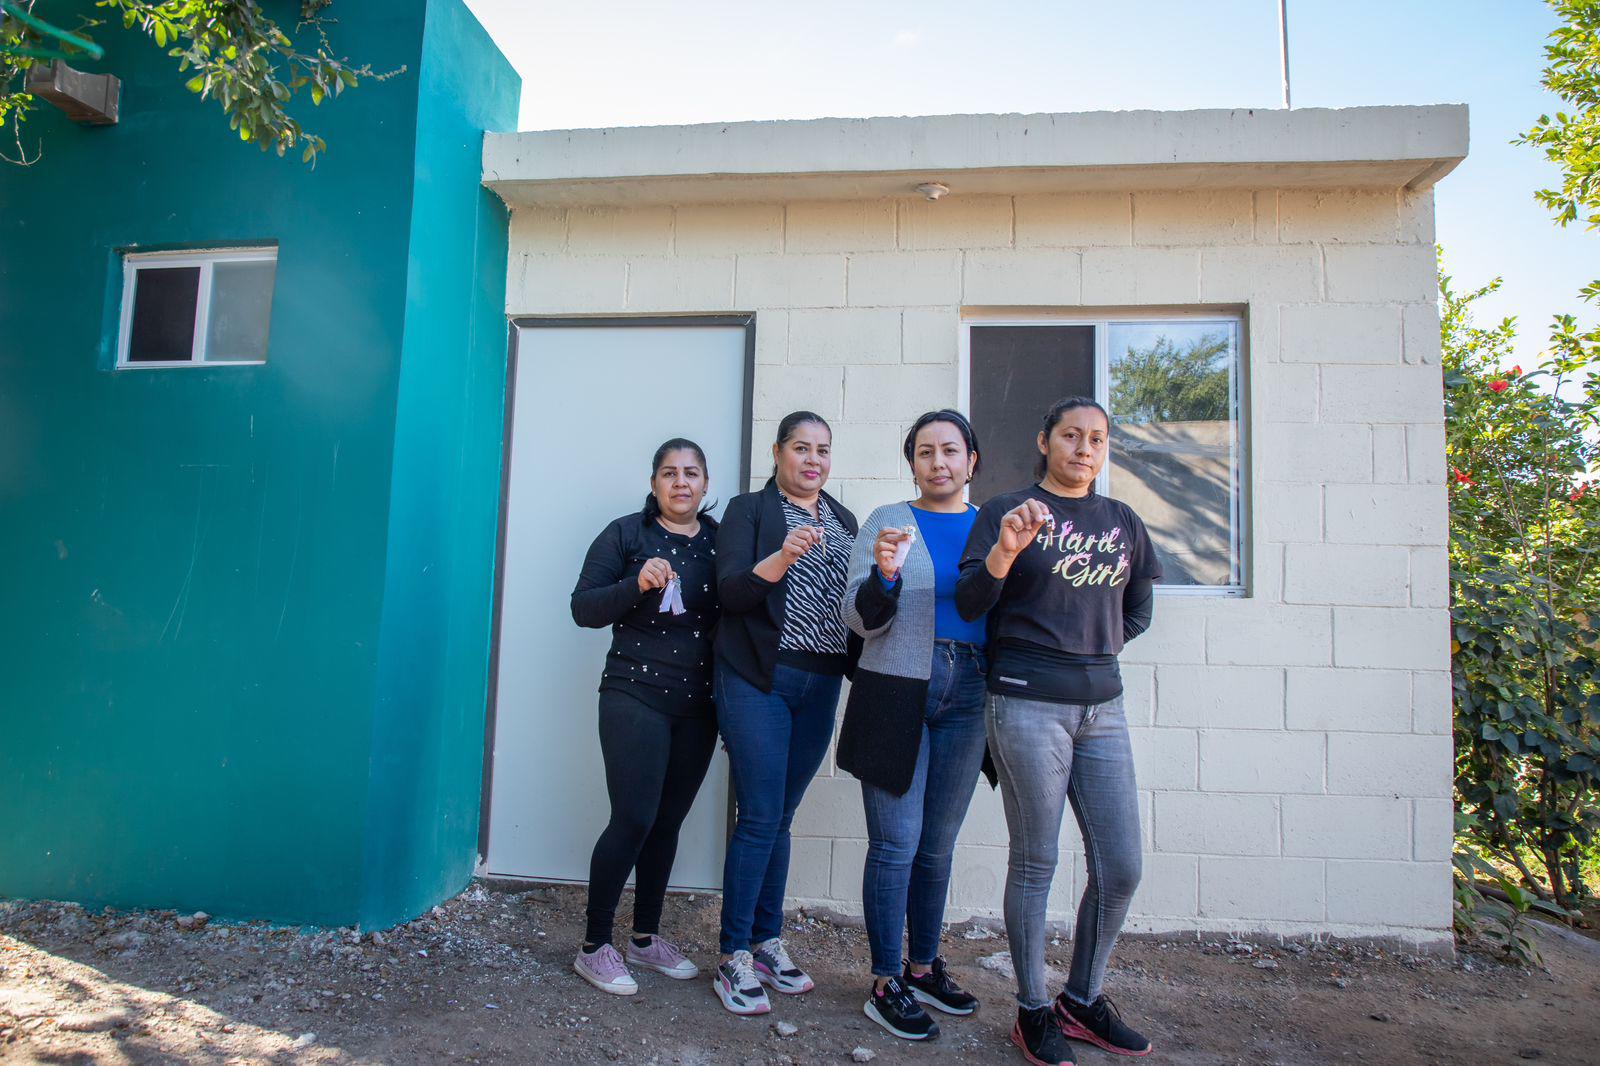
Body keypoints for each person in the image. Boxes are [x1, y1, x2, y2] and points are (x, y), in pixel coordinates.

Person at [955, 397, 1162, 1065]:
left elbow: (1136, 613)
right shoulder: (1005, 512)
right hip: (1025, 704)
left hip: (1103, 706)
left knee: (1121, 865)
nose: (1084, 448)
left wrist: (1086, 652)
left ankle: (1082, 998)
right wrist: (1006, 554)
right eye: (1071, 435)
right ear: (1045, 440)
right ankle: (1032, 1010)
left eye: (1097, 438)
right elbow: (969, 603)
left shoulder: (1123, 522)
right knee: (1037, 860)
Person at [839, 409, 992, 1042]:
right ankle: (885, 980)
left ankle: (924, 966)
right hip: (898, 691)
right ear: (912, 464)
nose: (938, 462)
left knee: (937, 845)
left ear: (971, 461)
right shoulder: (887, 522)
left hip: (972, 690)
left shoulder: (992, 527)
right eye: (925, 452)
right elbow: (856, 618)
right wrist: (885, 576)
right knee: (896, 844)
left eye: (950, 450)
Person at [709, 410, 860, 1016]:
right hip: (756, 678)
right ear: (778, 452)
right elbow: (732, 593)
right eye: (802, 448)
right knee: (760, 813)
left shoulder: (845, 519)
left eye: (823, 450)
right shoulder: (749, 511)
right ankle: (733, 955)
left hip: (821, 683)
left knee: (783, 815)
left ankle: (767, 940)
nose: (813, 460)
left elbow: (851, 609)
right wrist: (783, 556)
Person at [569, 439, 721, 997]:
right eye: (669, 473)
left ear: (706, 482)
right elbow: (583, 608)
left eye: (691, 473)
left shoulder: (721, 540)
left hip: (698, 705)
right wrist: (636, 583)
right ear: (654, 482)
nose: (681, 482)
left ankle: (644, 939)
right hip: (634, 695)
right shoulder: (625, 534)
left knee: (666, 823)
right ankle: (593, 946)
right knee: (633, 818)